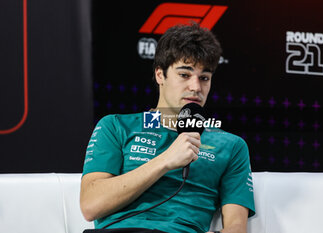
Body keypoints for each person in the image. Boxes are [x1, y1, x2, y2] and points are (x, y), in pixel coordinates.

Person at [80, 23, 255, 233]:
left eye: (204, 78)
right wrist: (165, 160)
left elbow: (236, 227)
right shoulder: (116, 126)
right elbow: (90, 206)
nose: (196, 87)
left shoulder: (231, 145)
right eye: (184, 75)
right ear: (160, 75)